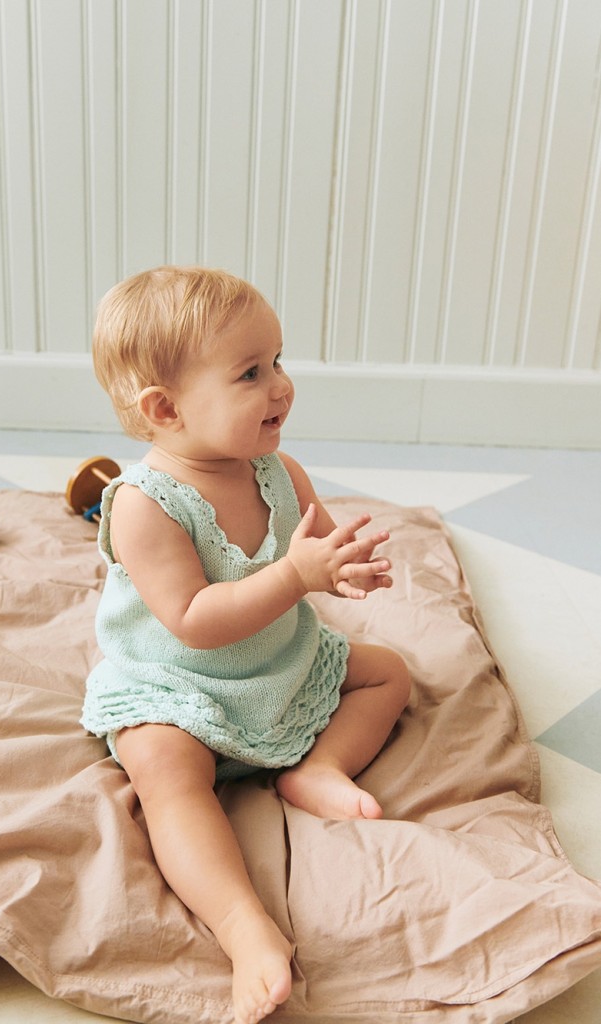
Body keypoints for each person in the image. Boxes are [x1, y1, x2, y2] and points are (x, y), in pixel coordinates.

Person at [81, 266, 411, 1024]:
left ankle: (317, 769)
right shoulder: (143, 506)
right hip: (176, 685)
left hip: (278, 660)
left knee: (388, 674)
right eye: (250, 373)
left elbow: (314, 548)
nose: (281, 386)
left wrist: (340, 569)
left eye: (278, 360)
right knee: (165, 771)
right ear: (165, 409)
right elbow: (193, 618)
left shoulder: (280, 472)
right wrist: (295, 576)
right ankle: (241, 924)